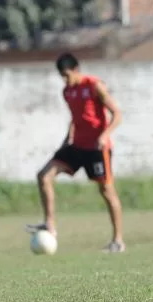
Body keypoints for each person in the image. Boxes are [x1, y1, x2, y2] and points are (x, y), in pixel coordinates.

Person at [26, 53, 125, 252]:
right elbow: (76, 118)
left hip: (98, 148)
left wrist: (104, 135)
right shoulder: (67, 92)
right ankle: (49, 224)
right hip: (77, 146)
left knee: (106, 191)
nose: (65, 79)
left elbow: (117, 114)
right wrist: (66, 140)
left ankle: (118, 241)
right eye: (62, 76)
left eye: (67, 75)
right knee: (44, 175)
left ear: (77, 69)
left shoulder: (95, 85)